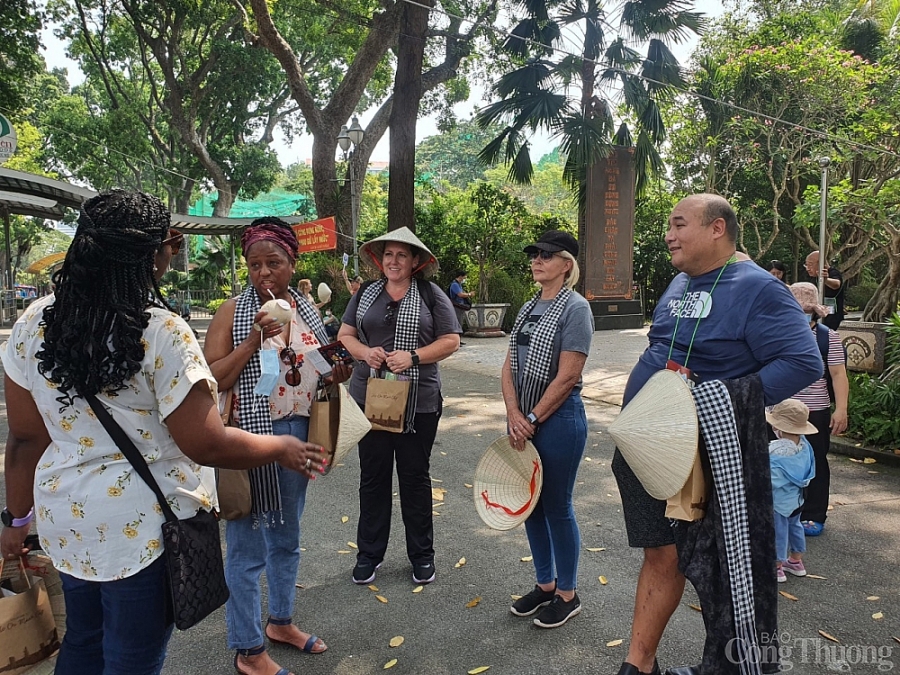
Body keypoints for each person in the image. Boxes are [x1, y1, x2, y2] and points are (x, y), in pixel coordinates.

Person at [0, 191, 327, 675]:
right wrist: (280, 446)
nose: (173, 252)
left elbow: (26, 438)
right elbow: (205, 441)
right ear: (152, 254)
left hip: (68, 522)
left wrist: (15, 519)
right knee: (131, 658)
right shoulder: (160, 330)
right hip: (143, 531)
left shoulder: (33, 322)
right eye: (170, 244)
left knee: (84, 643)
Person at [612, 194, 822, 675]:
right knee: (660, 553)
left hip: (708, 457)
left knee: (724, 571)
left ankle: (731, 666)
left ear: (717, 228)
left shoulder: (759, 288)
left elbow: (803, 361)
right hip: (645, 452)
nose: (669, 235)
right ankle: (639, 664)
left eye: (678, 224)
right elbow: (661, 348)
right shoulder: (679, 282)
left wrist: (713, 404)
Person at [205, 217, 349, 675]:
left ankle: (281, 622)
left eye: (274, 263)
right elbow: (212, 378)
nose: (264, 273)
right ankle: (248, 650)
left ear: (293, 263)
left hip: (299, 435)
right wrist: (254, 338)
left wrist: (336, 372)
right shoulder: (233, 311)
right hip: (249, 439)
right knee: (247, 547)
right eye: (255, 265)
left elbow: (318, 365)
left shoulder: (305, 309)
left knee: (287, 538)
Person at [337, 227, 460, 586]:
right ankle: (368, 555)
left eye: (402, 255)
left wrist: (414, 356)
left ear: (415, 261)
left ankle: (422, 555)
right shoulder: (366, 294)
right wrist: (365, 352)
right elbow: (345, 335)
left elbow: (451, 340)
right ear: (380, 260)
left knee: (414, 478)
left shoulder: (431, 294)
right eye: (388, 254)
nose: (394, 261)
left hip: (418, 402)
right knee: (373, 477)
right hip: (370, 397)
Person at [502, 230, 593, 629]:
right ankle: (545, 584)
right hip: (523, 418)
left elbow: (569, 375)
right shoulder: (528, 307)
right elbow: (508, 365)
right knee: (531, 505)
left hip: (558, 420)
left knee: (556, 505)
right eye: (535, 254)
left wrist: (533, 419)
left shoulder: (576, 309)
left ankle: (568, 594)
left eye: (546, 255)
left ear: (566, 265)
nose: (537, 260)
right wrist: (513, 414)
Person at [788, 282, 849, 538]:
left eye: (806, 310)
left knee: (816, 463)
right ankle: (781, 512)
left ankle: (813, 514)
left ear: (815, 311)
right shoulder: (775, 333)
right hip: (778, 410)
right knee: (777, 461)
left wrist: (841, 409)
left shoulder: (827, 337)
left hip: (815, 410)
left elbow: (838, 375)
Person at [765, 399, 816, 583]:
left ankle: (777, 566)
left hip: (778, 502)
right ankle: (796, 560)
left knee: (778, 532)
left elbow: (770, 479)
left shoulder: (775, 450)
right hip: (797, 498)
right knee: (795, 526)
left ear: (778, 427)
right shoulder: (805, 446)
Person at [805, 250, 844, 330]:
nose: (807, 268)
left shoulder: (833, 273)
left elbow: (836, 284)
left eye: (810, 265)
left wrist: (826, 280)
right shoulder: (813, 277)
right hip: (817, 315)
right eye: (806, 265)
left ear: (821, 264)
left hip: (832, 317)